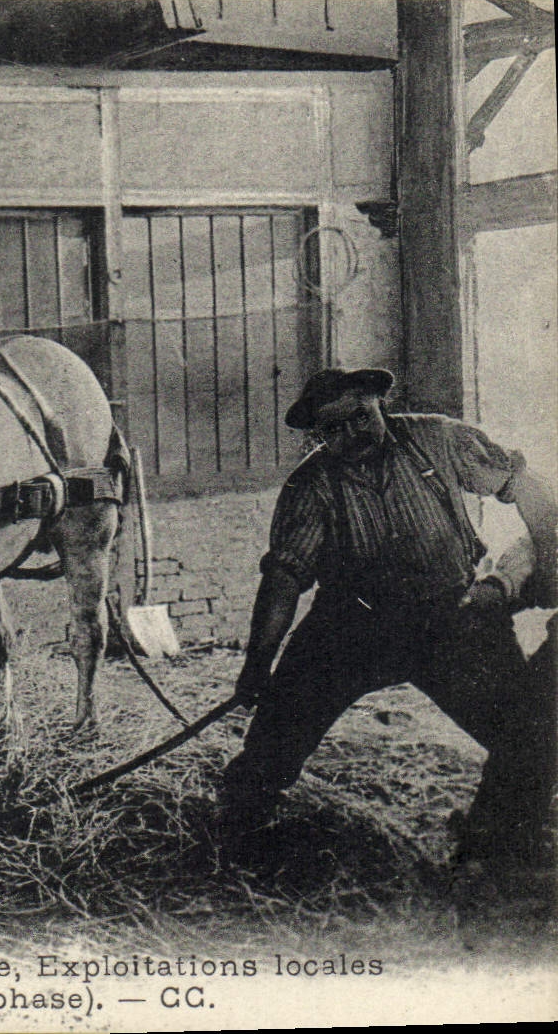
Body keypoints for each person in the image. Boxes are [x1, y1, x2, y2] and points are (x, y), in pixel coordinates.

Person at [218, 367, 558, 874]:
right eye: (333, 430)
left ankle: (501, 844)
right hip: (351, 628)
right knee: (272, 745)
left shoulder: (438, 438)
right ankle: (236, 844)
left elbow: (520, 485)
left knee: (530, 733)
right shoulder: (310, 486)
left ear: (380, 401)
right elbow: (284, 581)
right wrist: (256, 666)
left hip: (450, 618)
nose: (351, 436)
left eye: (360, 418)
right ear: (318, 435)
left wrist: (552, 559)